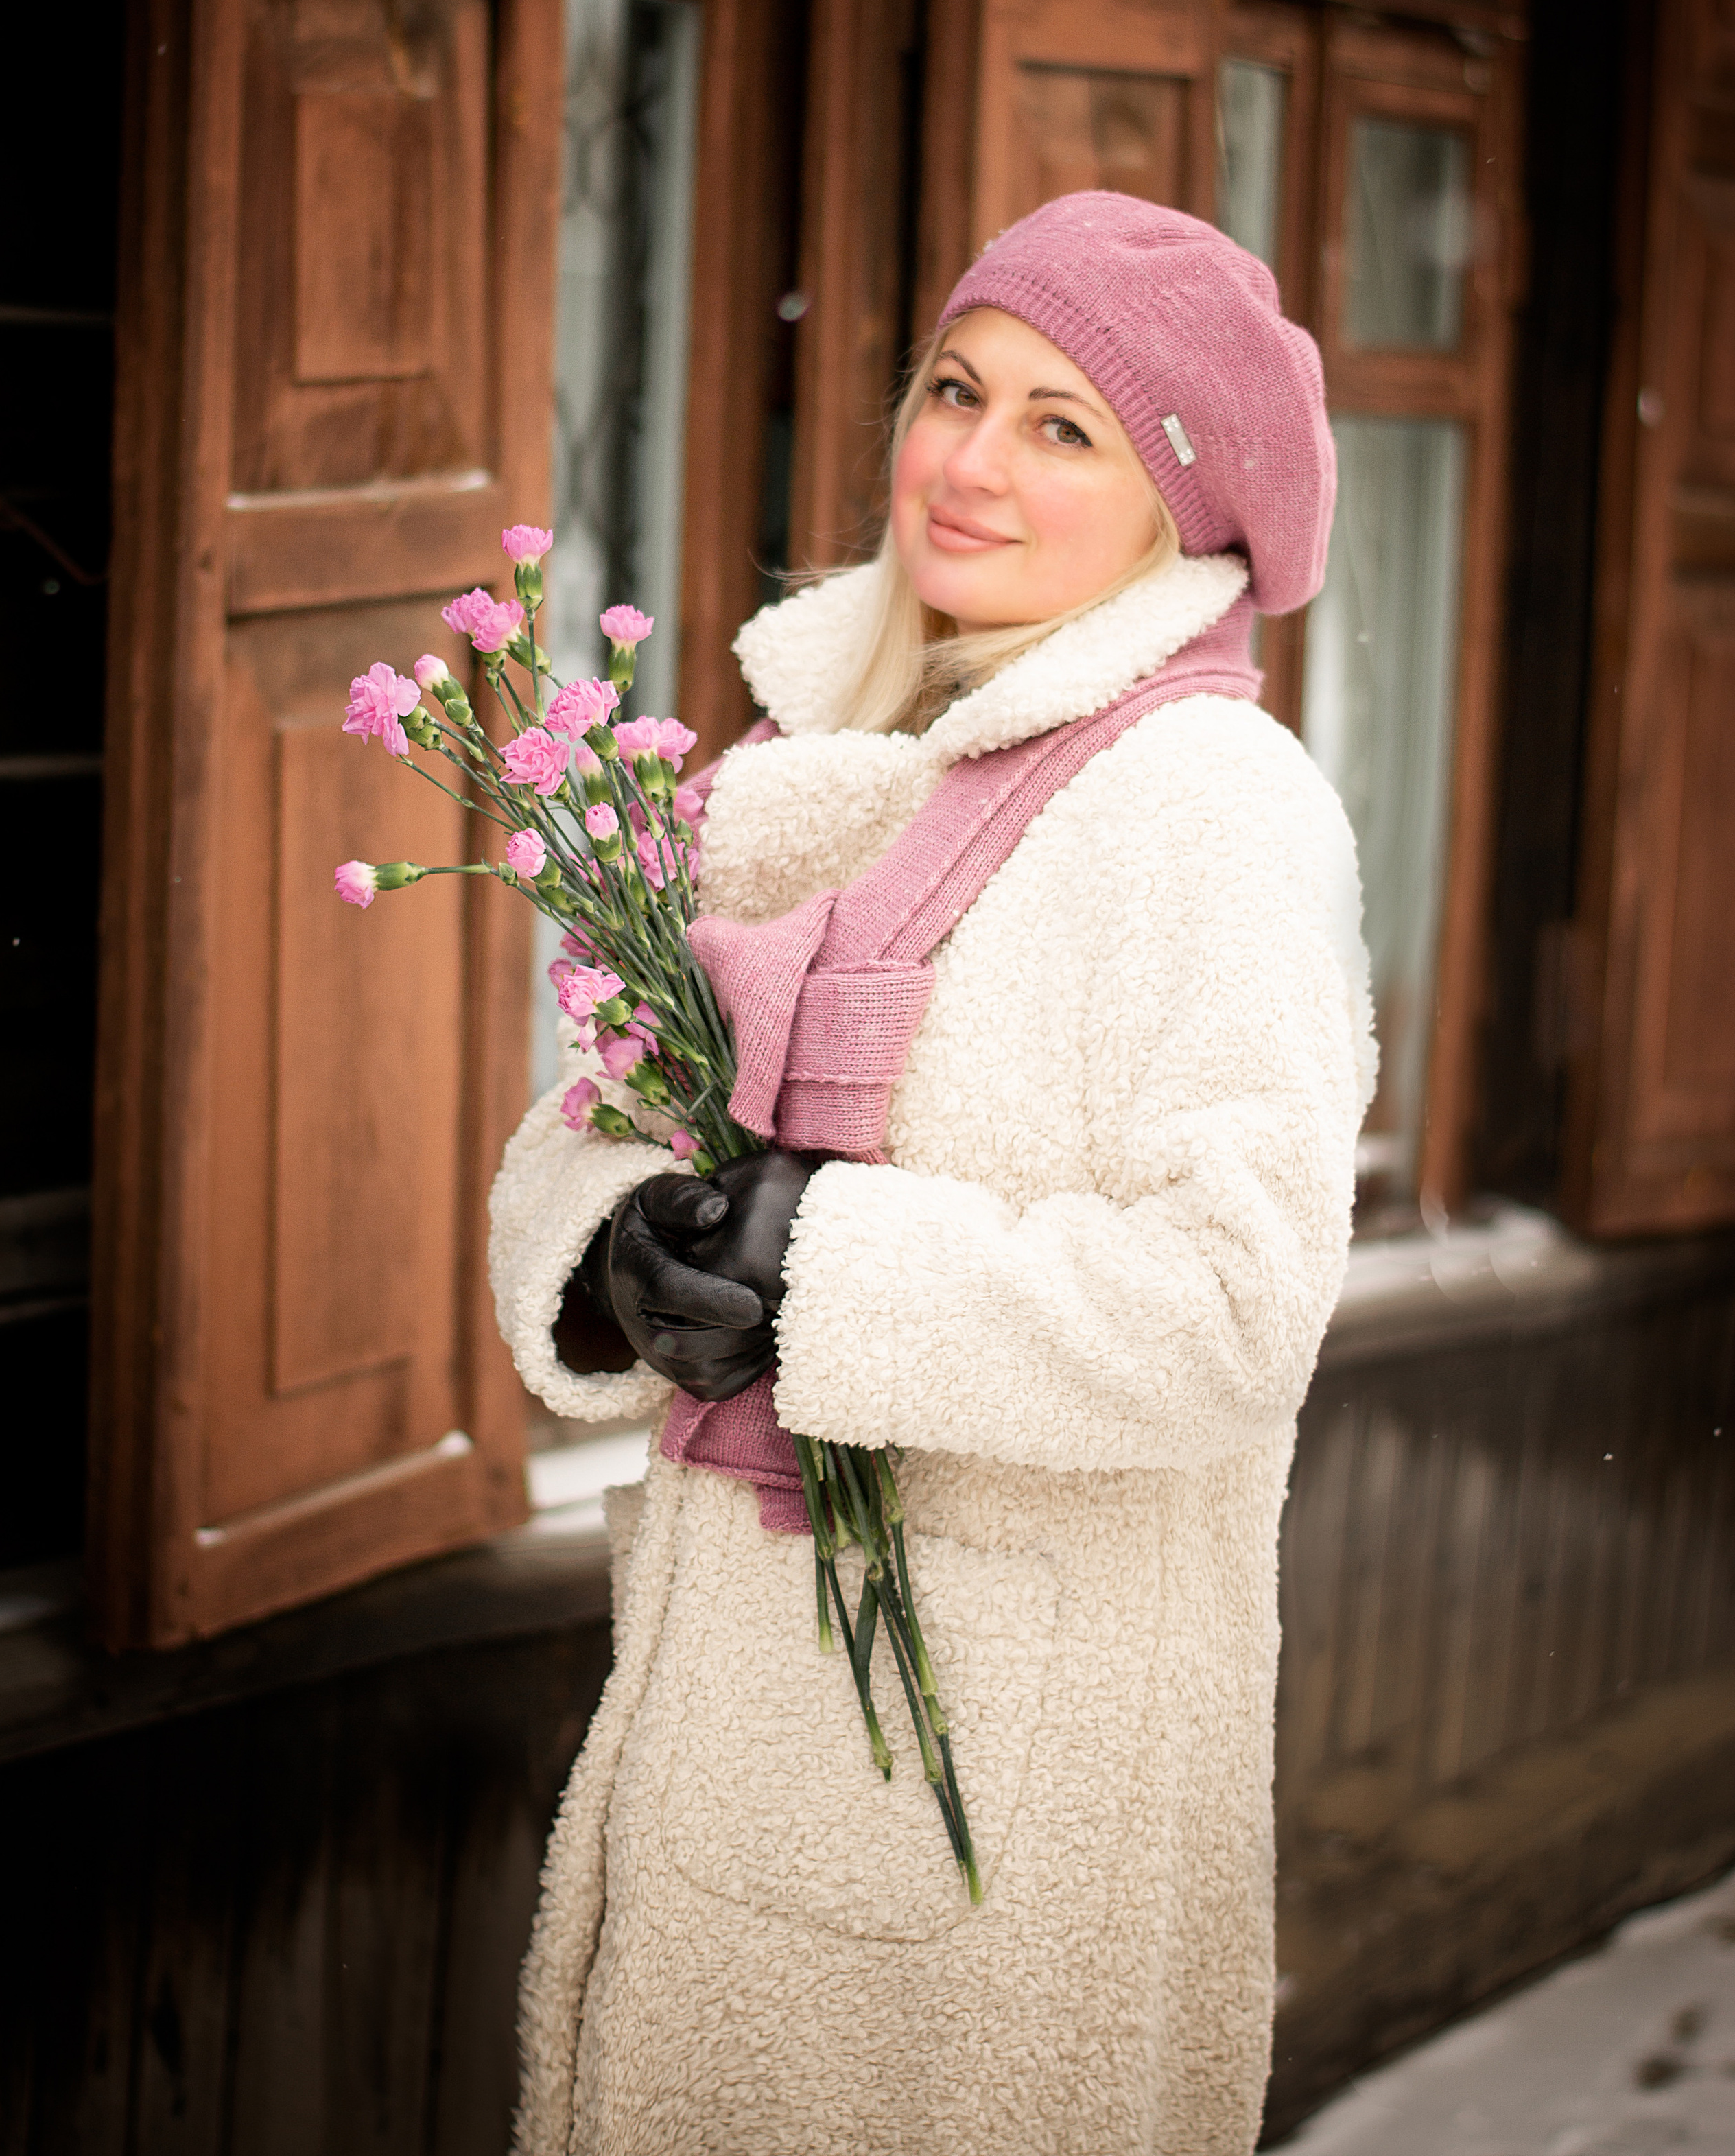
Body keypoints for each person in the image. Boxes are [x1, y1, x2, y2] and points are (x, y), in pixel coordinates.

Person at [491, 191, 1376, 2156]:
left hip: (994, 1819)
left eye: (1067, 427)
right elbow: (603, 1119)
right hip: (740, 1730)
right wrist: (617, 1251)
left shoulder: (1214, 811)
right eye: (957, 389)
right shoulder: (798, 786)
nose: (968, 461)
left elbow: (1235, 1311)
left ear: (1182, 506)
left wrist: (833, 1267)